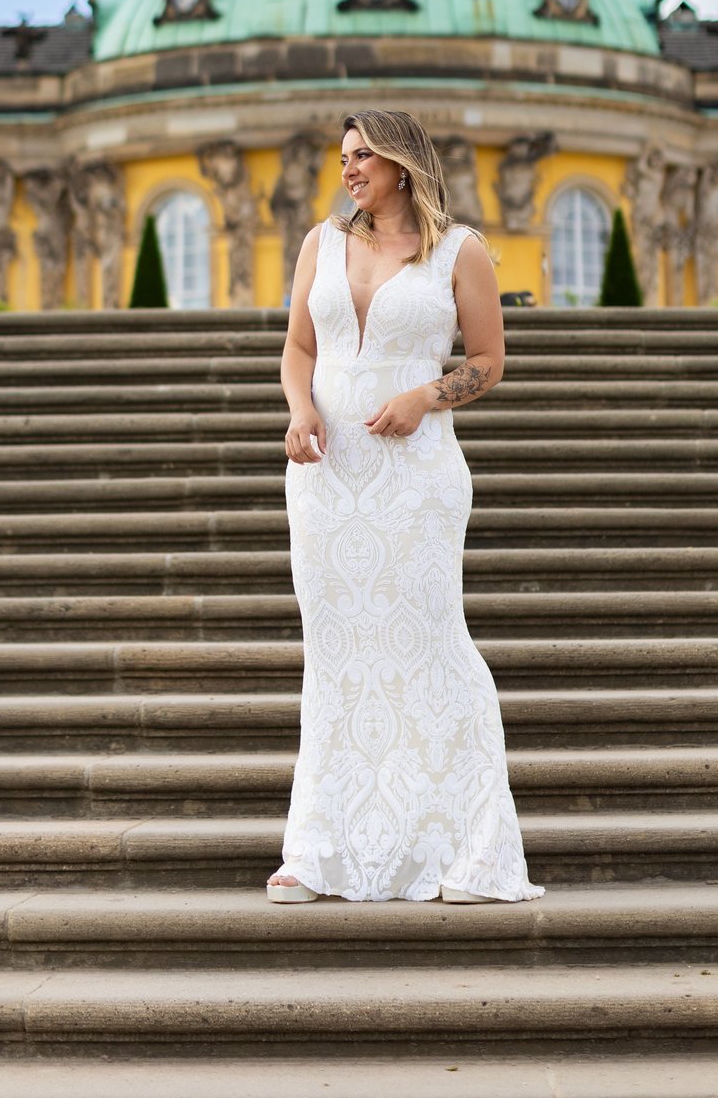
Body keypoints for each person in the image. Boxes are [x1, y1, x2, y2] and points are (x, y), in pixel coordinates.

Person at [268, 109, 544, 904]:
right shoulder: (321, 243)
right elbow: (299, 347)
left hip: (416, 478)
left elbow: (488, 359)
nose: (349, 169)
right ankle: (318, 849)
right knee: (335, 652)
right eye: (343, 157)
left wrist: (425, 396)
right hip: (326, 474)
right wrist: (299, 408)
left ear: (401, 162)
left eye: (363, 155)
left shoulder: (460, 250)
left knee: (430, 645)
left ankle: (471, 849)